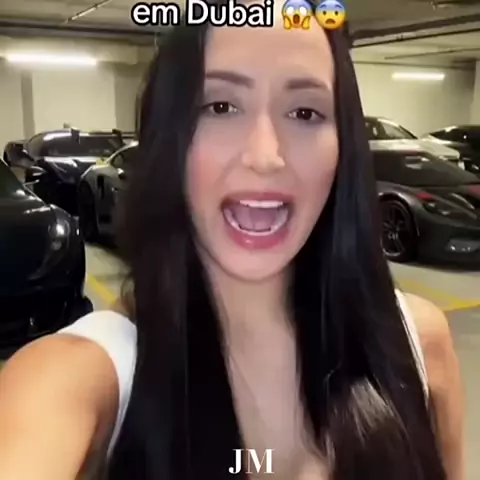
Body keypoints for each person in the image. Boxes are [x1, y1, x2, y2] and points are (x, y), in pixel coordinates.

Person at [0, 1, 465, 479]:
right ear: (168, 137)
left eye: (305, 112)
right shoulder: (75, 379)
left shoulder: (418, 343)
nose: (265, 156)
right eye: (220, 107)